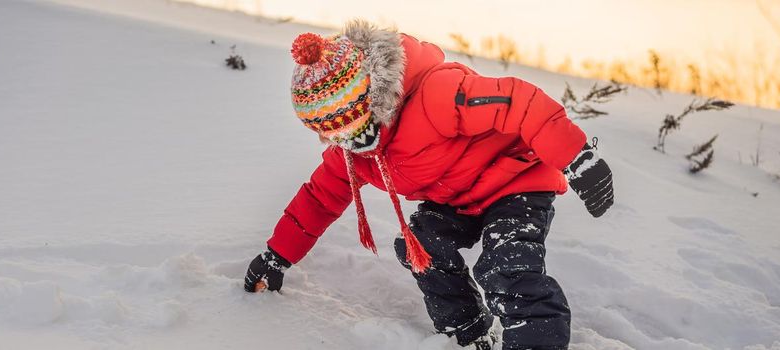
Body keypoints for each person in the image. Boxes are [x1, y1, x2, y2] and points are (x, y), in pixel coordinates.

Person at [243, 20, 614, 350]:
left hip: (514, 184)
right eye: (329, 131)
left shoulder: (437, 95)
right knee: (420, 247)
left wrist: (576, 156)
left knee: (505, 265)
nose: (345, 138)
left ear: (370, 96)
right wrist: (278, 256)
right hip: (458, 201)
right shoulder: (355, 154)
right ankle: (469, 333)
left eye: (349, 122)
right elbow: (320, 199)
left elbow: (519, 102)